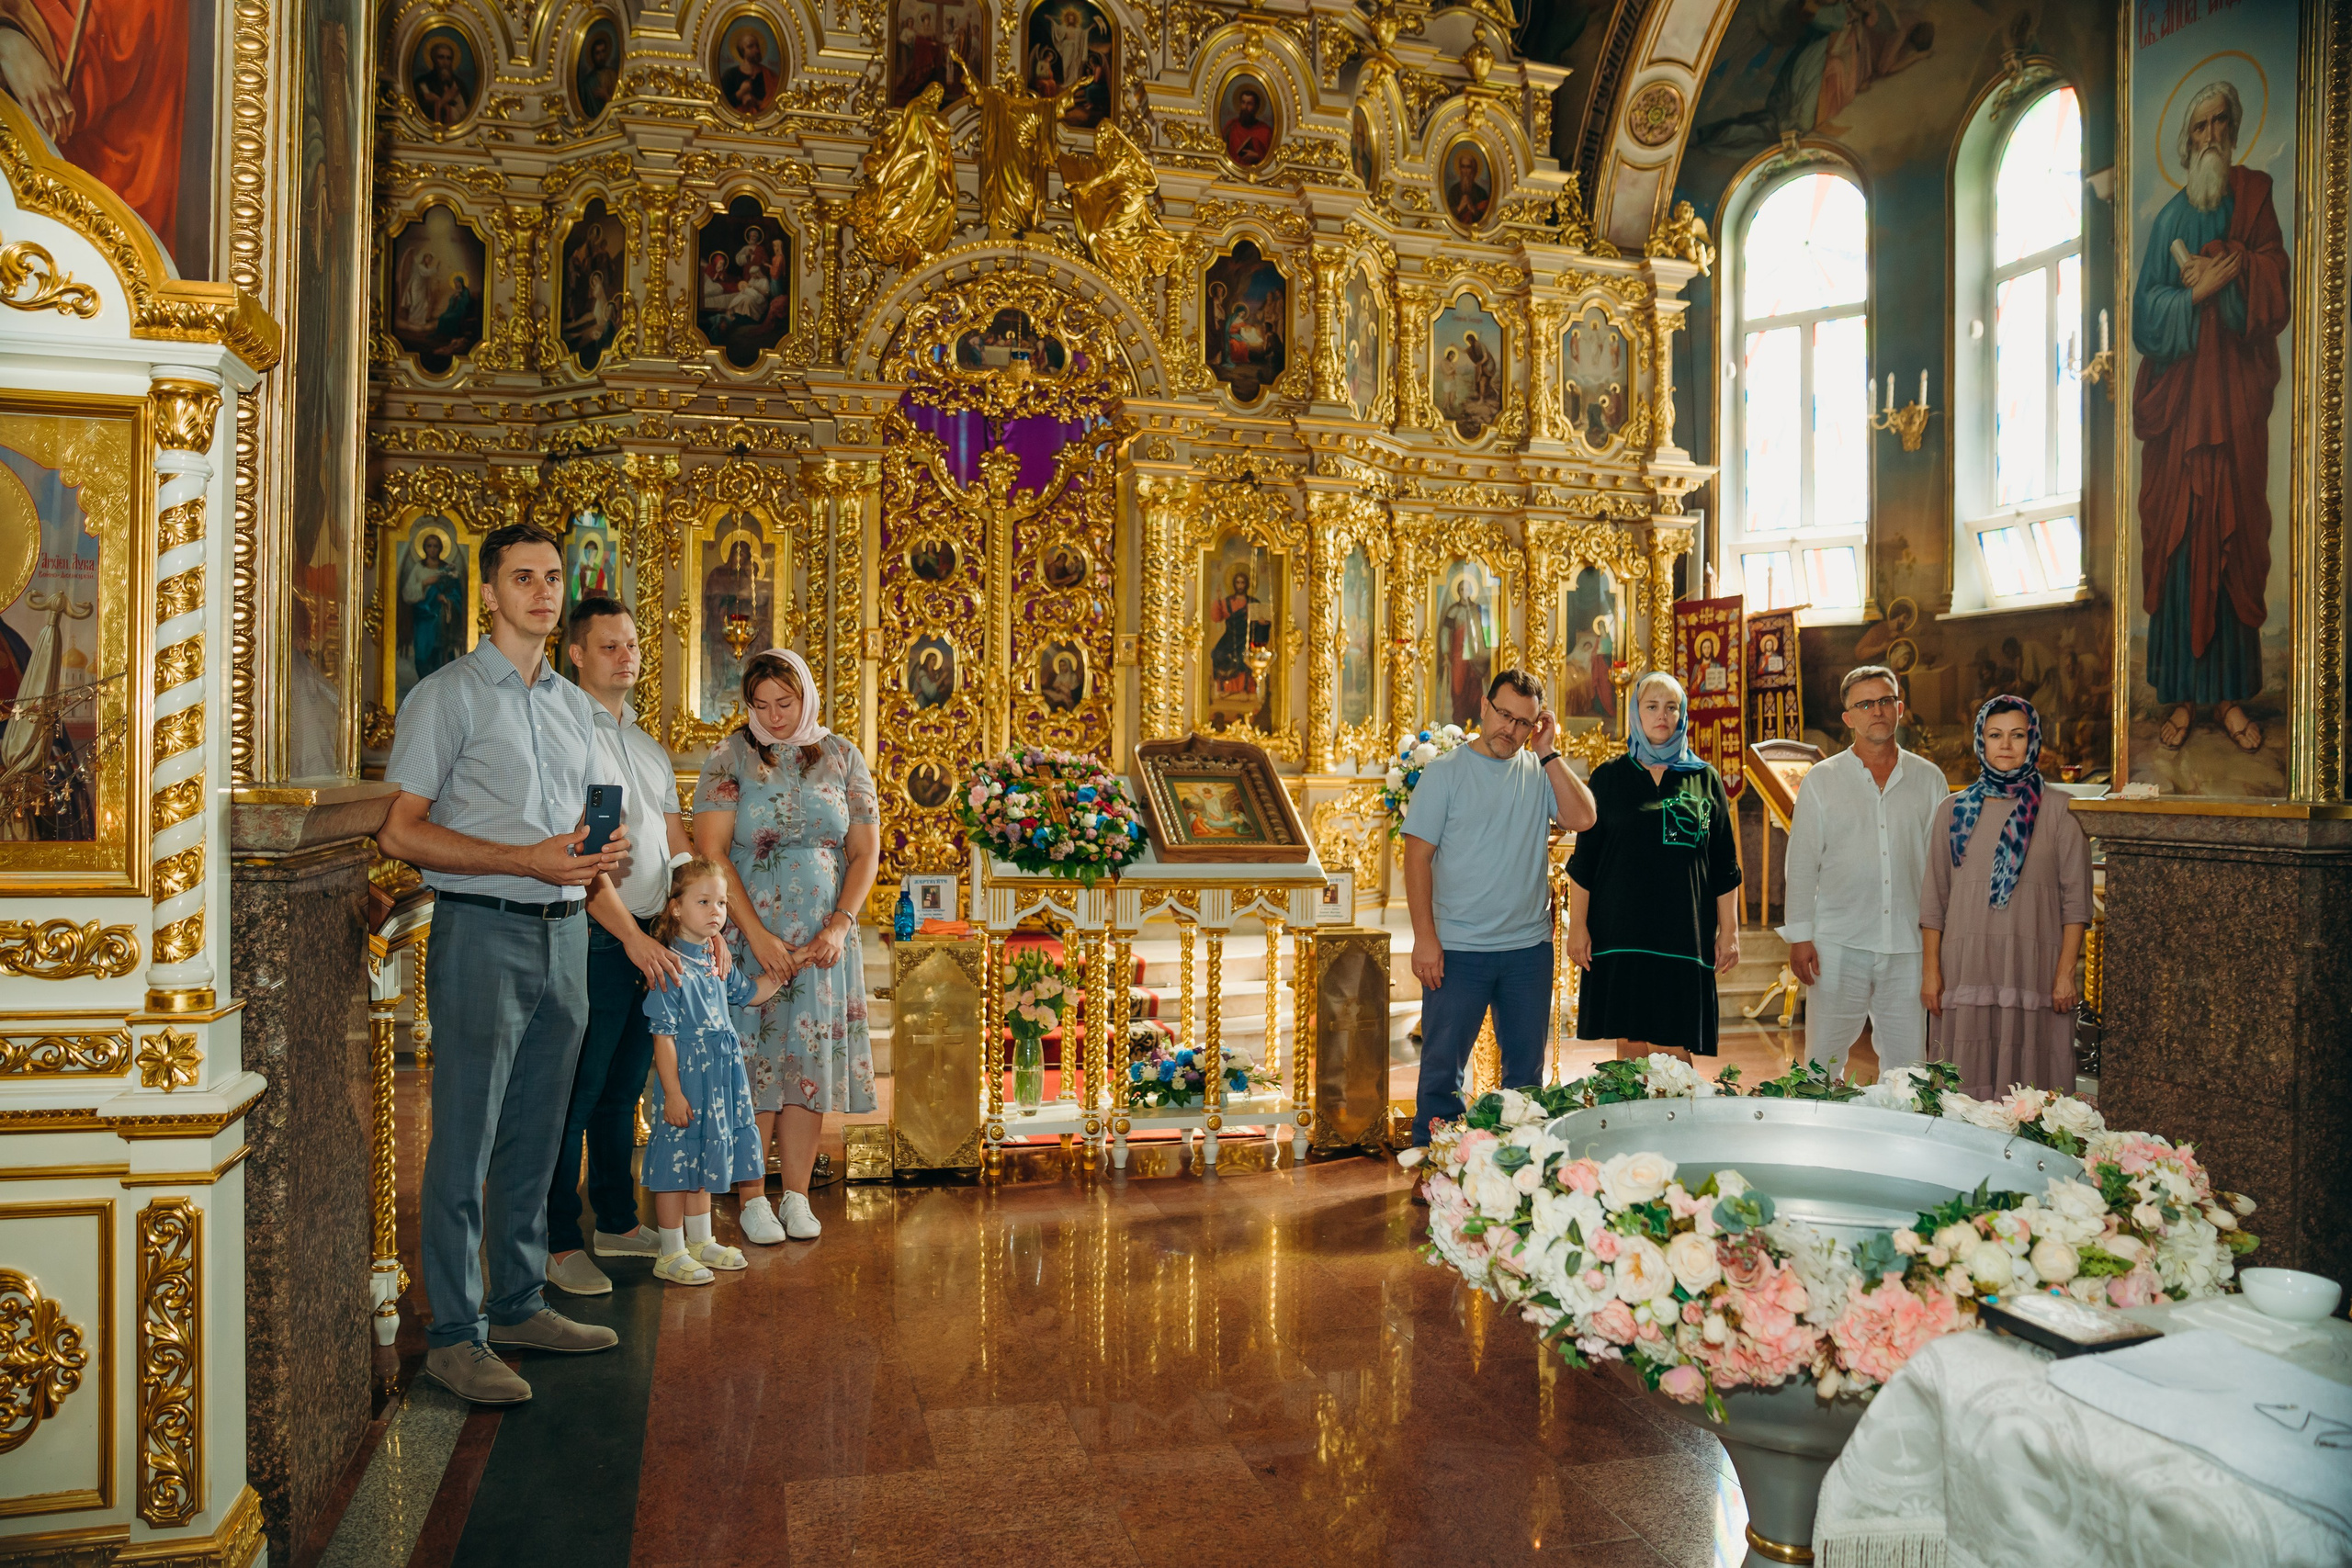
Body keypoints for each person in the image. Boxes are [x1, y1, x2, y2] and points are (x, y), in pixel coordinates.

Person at [377, 522, 633, 1405]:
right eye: (522, 578)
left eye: (553, 577)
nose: (541, 590)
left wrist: (604, 848)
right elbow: (401, 828)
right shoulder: (447, 697)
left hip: (567, 931)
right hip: (482, 926)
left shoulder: (570, 704)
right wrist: (526, 858)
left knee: (538, 1130)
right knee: (467, 1134)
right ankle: (454, 1331)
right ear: (488, 594)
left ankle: (519, 1300)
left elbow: (581, 820)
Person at [541, 598, 702, 1300]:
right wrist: (631, 936)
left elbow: (677, 846)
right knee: (572, 1096)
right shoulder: (561, 736)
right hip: (594, 937)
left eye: (632, 644)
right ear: (575, 654)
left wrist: (697, 921)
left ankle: (612, 1217)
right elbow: (581, 858)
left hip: (650, 940)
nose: (627, 656)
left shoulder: (647, 747)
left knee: (621, 1092)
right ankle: (556, 1239)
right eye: (609, 646)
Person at [692, 649, 881, 1243]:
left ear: (806, 697)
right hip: (750, 936)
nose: (773, 715)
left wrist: (841, 924)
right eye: (761, 704)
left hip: (823, 944)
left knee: (806, 1067)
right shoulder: (731, 756)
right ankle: (752, 1195)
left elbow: (865, 852)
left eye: (786, 702)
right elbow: (712, 850)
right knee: (753, 1065)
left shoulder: (843, 756)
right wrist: (754, 933)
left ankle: (796, 1195)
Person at [2132, 78, 2290, 755]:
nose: (2211, 135)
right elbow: (2145, 313)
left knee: (2230, 536)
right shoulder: (2168, 219)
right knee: (2182, 535)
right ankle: (2184, 700)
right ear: (2186, 139)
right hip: (2181, 415)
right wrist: (2191, 295)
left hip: (2232, 405)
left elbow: (2276, 281)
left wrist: (2234, 270)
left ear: (2235, 129)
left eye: (2221, 122)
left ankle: (2228, 697)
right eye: (2200, 126)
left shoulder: (2254, 197)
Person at [1403, 670, 1598, 1144]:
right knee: (1441, 1074)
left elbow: (1584, 818)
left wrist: (1549, 752)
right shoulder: (1445, 772)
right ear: (1485, 707)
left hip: (1526, 951)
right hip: (1458, 949)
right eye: (1504, 715)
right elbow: (1417, 857)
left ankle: (1515, 1175)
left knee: (1525, 1079)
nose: (1509, 730)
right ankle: (1434, 1167)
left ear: (1536, 726)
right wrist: (1425, 939)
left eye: (1523, 723)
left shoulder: (1537, 770)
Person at [1778, 665, 1946, 1079]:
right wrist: (1800, 937)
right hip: (1838, 945)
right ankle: (1819, 1138)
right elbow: (1801, 864)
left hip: (1908, 945)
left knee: (1910, 1070)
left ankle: (1904, 1138)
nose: (1878, 711)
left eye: (1886, 701)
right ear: (1848, 718)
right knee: (1822, 1063)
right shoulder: (1821, 780)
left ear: (1900, 708)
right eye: (1865, 704)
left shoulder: (1929, 780)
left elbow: (1940, 871)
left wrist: (1936, 951)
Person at [1920, 696, 2092, 1099]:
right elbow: (1934, 899)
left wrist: (2066, 972)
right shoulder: (1953, 810)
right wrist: (1931, 971)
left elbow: (2076, 904)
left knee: (2031, 1092)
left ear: (2033, 741)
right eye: (1995, 735)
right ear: (1981, 740)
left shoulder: (2062, 812)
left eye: (2018, 735)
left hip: (2033, 971)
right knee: (1964, 1086)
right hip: (1967, 969)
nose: (2006, 745)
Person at [1566, 671, 1741, 1061]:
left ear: (1682, 716)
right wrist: (1578, 925)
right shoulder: (1608, 778)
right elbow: (1585, 863)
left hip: (1684, 934)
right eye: (1651, 706)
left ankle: (1675, 1123)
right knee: (1631, 1048)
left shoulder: (1705, 780)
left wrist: (1728, 930)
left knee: (1675, 1049)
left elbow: (1724, 866)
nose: (1662, 716)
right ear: (1635, 714)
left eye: (1671, 707)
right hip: (1621, 931)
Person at [643, 855, 786, 1285]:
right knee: (676, 1162)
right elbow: (663, 1036)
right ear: (676, 908)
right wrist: (673, 1092)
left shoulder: (714, 959)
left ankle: (701, 1241)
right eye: (703, 902)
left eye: (721, 903)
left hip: (719, 1080)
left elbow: (750, 992)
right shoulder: (669, 965)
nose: (716, 912)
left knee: (705, 1156)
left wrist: (786, 968)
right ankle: (670, 1252)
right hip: (686, 1080)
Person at [1223, 85, 1272, 165]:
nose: (1245, 107)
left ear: (1256, 107)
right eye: (1243, 102)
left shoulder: (1266, 131)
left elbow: (1271, 159)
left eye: (1249, 104)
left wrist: (1258, 156)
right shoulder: (1231, 126)